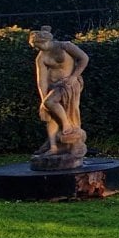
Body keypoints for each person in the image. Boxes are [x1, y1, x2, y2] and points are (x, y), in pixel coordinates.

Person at [30, 26, 90, 163]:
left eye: (38, 45)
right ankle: (53, 147)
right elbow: (41, 80)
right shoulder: (41, 57)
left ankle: (67, 125)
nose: (37, 48)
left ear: (45, 41)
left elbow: (84, 58)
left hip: (69, 84)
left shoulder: (65, 46)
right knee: (50, 112)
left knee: (50, 102)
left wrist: (74, 76)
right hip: (53, 85)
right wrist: (42, 99)